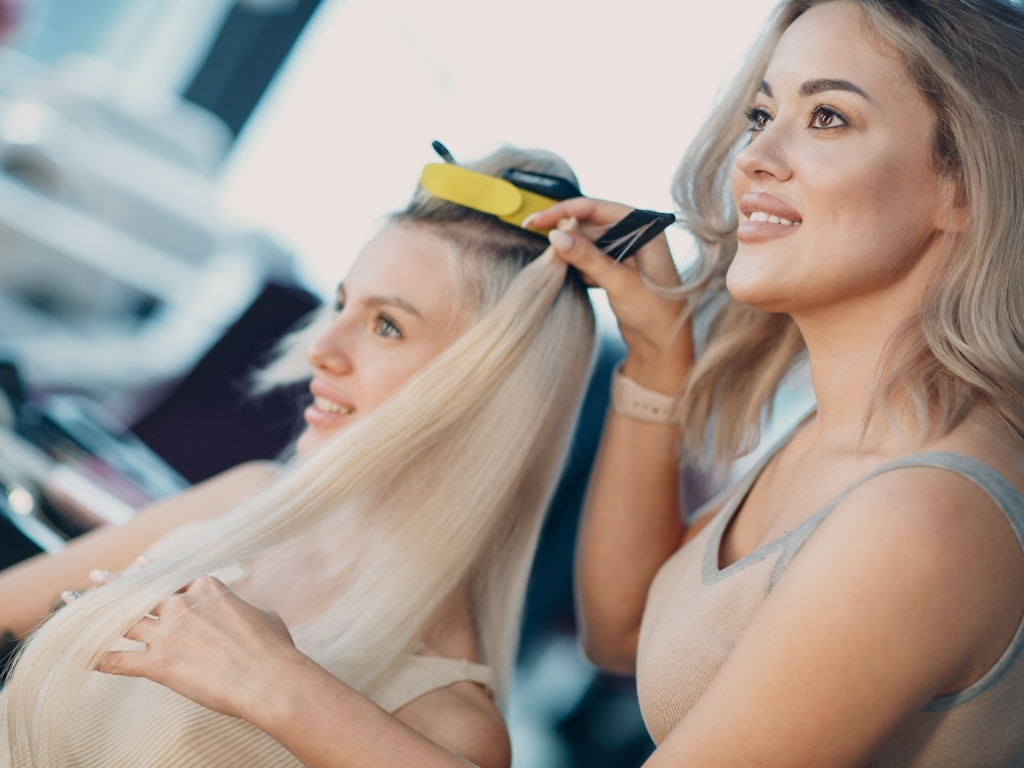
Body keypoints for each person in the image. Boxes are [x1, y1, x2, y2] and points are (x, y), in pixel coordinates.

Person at [531, 0, 1024, 765]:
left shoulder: (925, 514)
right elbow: (626, 631)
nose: (755, 156)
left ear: (962, 187)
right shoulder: (840, 438)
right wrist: (659, 357)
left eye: (828, 117)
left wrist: (283, 682)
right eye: (762, 113)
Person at [0, 146, 596, 768]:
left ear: (484, 396)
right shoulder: (247, 499)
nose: (321, 349)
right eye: (343, 305)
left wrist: (276, 684)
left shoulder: (447, 725)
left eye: (386, 325)